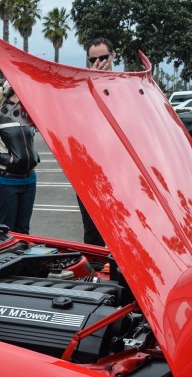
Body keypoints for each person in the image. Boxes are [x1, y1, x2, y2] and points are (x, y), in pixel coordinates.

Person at [0, 81, 40, 233]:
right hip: (6, 182)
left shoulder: (28, 115)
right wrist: (8, 159)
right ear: (16, 90)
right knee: (8, 231)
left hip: (29, 180)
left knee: (24, 230)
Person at [74, 38, 117, 246]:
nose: (98, 62)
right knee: (93, 234)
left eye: (103, 57)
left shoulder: (124, 85)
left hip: (120, 174)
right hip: (91, 174)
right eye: (93, 59)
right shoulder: (83, 90)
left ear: (113, 56)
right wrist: (94, 80)